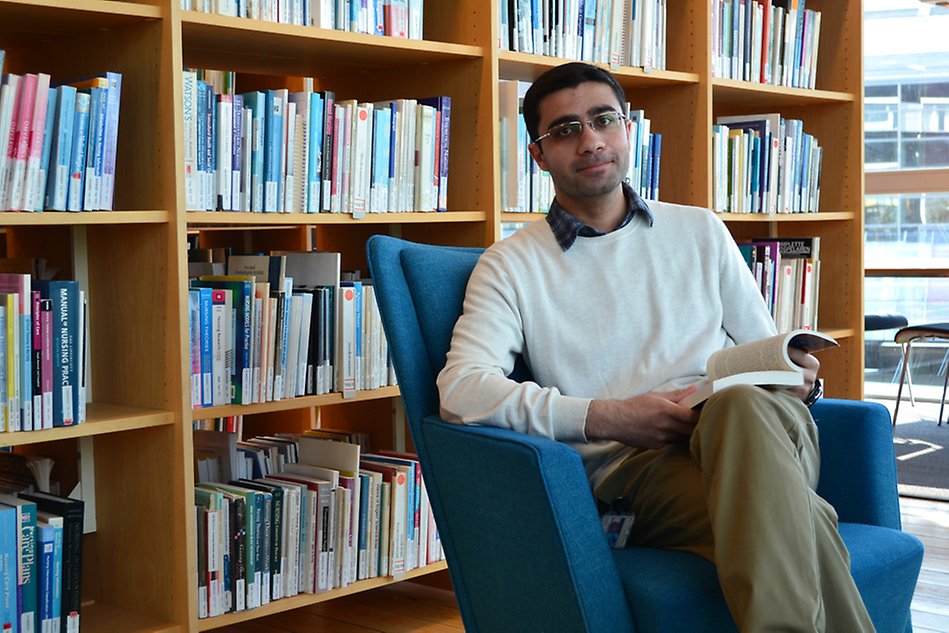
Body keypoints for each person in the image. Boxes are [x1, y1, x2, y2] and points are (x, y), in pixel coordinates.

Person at [436, 62, 874, 632]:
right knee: (798, 519)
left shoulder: (700, 230)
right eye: (565, 130)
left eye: (603, 120)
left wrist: (799, 372)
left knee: (741, 406)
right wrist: (609, 417)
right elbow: (461, 391)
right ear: (538, 155)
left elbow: (764, 347)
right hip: (637, 474)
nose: (590, 140)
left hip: (759, 429)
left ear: (627, 130)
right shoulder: (511, 265)